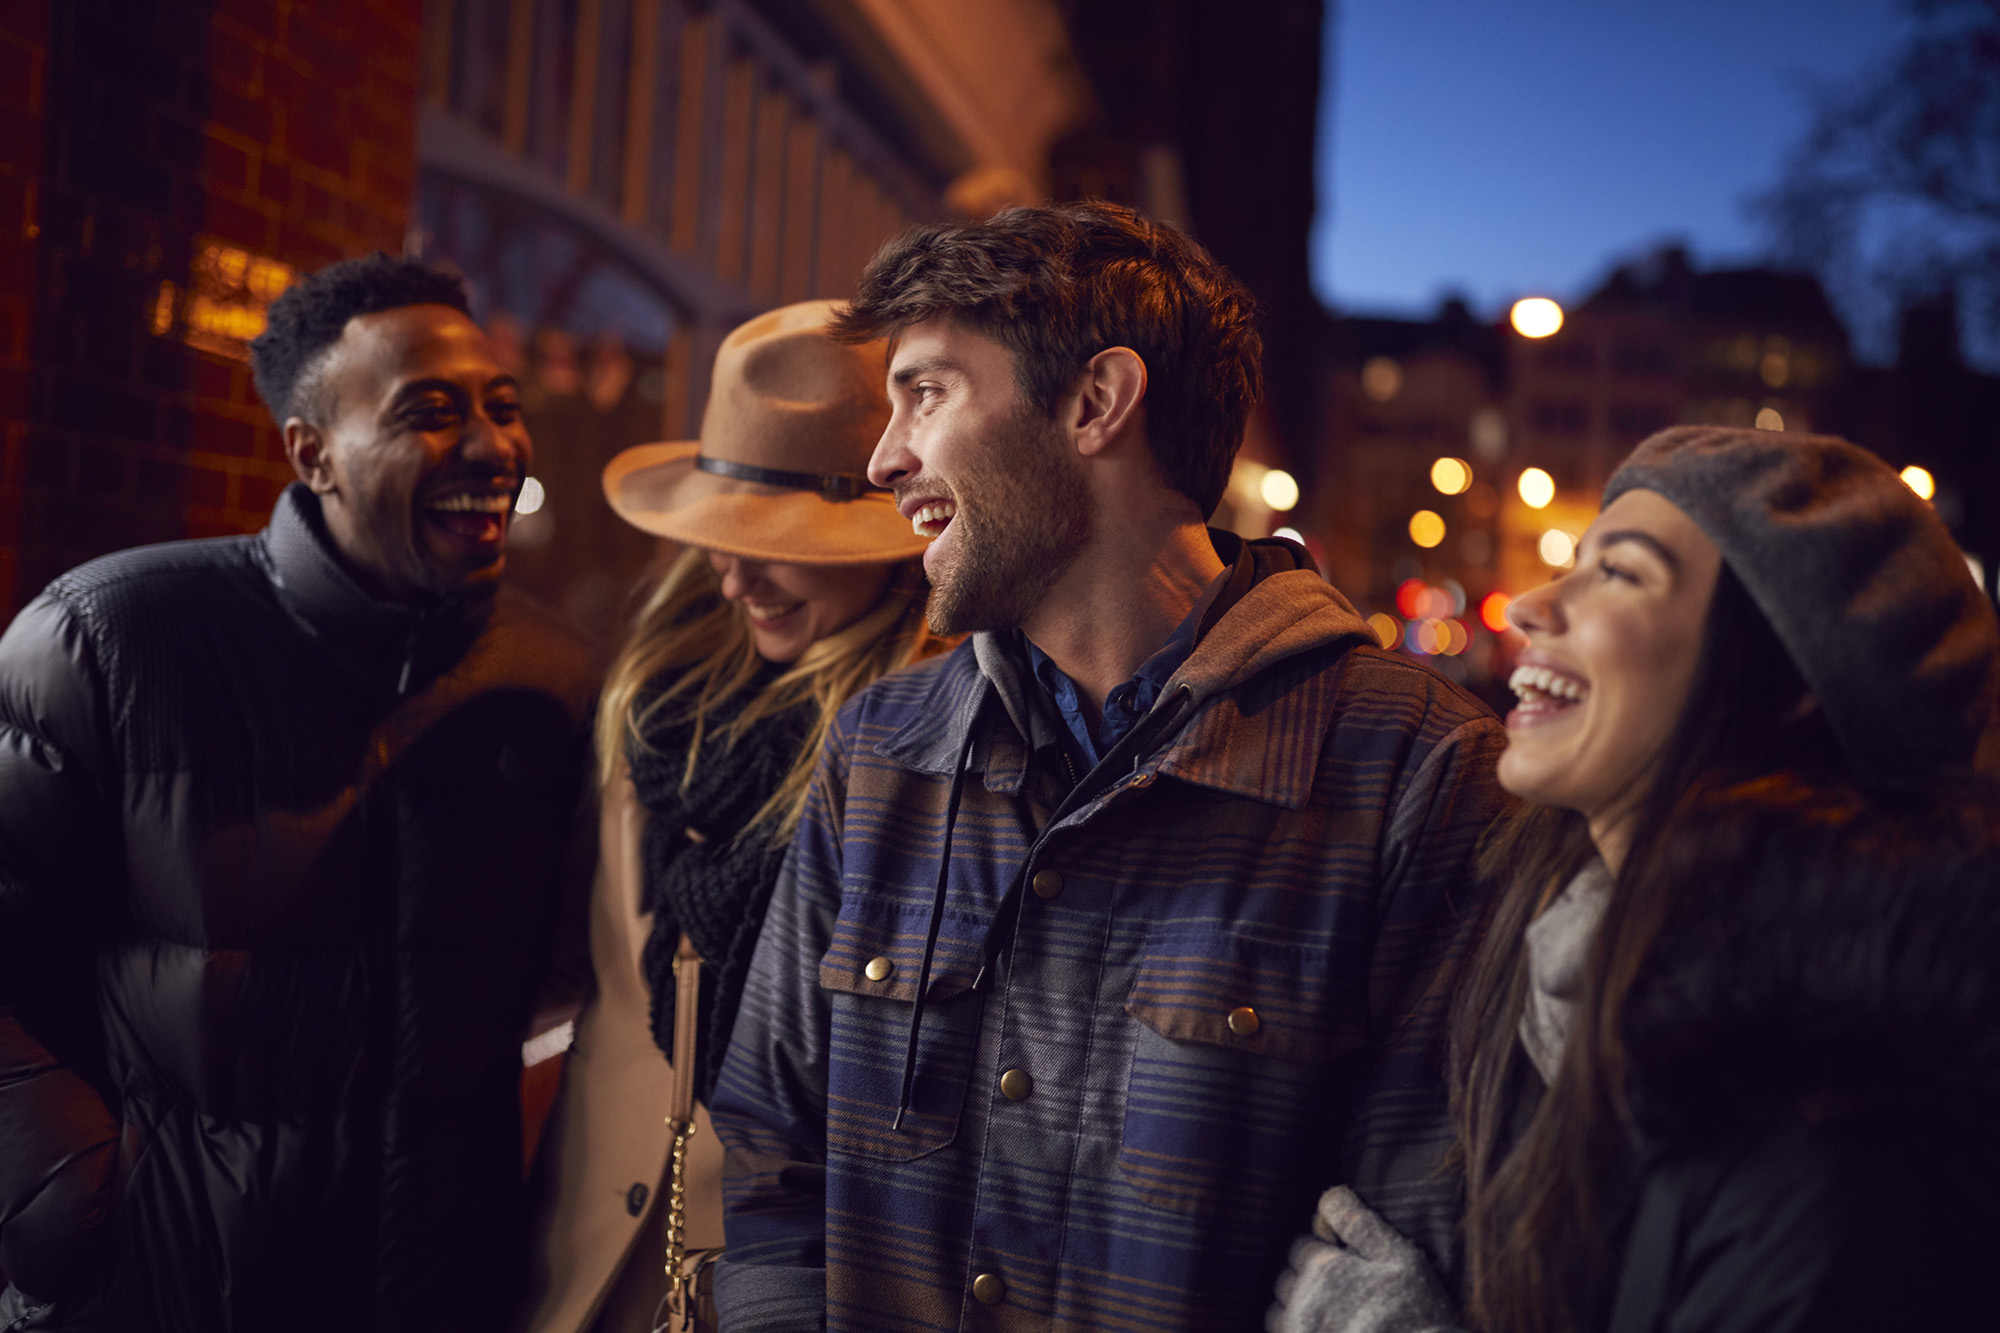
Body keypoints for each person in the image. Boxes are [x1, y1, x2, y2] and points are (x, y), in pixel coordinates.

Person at [708, 201, 1511, 1330]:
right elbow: (766, 1172)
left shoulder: (1414, 774)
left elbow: (1414, 1236)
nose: (885, 456)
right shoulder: (879, 750)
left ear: (1095, 403)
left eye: (926, 392)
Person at [1267, 425, 2000, 1333]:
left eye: (1619, 572)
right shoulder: (1565, 984)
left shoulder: (1849, 1123)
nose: (1532, 604)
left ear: (1785, 678)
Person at [0, 253, 598, 1332]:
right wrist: (68, 1204)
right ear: (311, 451)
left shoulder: (559, 680)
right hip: (157, 1298)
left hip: (436, 1300)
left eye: (501, 408)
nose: (489, 445)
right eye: (428, 411)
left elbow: (569, 987)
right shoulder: (116, 637)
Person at [519, 300, 941, 1332]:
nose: (732, 571)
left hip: (795, 1281)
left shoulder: (934, 754)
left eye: (780, 539)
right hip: (579, 1261)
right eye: (722, 532)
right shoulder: (656, 702)